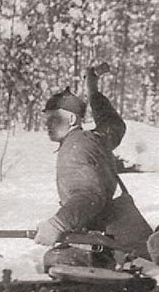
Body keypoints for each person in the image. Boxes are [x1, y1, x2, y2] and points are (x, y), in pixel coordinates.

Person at [34, 66, 152, 268]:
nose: (47, 124)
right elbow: (114, 125)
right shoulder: (94, 138)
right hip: (134, 240)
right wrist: (93, 91)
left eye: (53, 118)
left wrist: (58, 224)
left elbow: (89, 195)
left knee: (52, 262)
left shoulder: (74, 148)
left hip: (114, 249)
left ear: (71, 119)